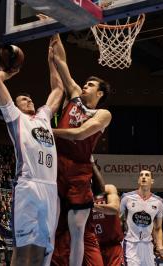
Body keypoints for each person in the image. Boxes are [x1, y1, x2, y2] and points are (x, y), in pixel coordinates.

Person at [0, 38, 63, 266]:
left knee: (42, 254)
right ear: (16, 104)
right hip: (28, 187)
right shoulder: (15, 117)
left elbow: (59, 89)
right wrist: (10, 71)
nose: (29, 99)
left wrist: (52, 61)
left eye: (30, 97)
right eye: (23, 98)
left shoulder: (42, 116)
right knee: (23, 253)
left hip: (50, 188)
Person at [50, 34, 112, 266]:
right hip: (58, 164)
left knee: (77, 230)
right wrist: (55, 34)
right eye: (85, 83)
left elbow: (80, 134)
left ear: (100, 94)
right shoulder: (75, 96)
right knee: (52, 222)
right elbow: (62, 63)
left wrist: (49, 132)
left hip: (79, 171)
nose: (85, 86)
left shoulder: (103, 114)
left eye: (91, 85)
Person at [120, 170, 163, 266]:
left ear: (152, 181)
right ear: (138, 180)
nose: (143, 177)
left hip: (148, 245)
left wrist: (159, 247)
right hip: (130, 244)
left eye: (147, 175)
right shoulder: (126, 198)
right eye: (141, 175)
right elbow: (116, 219)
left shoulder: (159, 202)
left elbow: (158, 228)